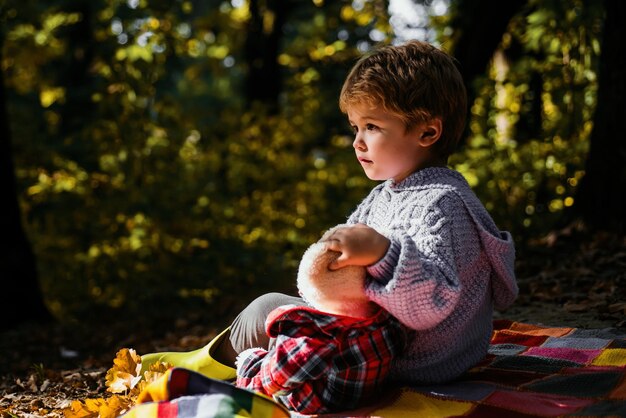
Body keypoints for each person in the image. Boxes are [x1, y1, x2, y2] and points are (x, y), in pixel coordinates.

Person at [140, 39, 518, 388]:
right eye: (355, 126)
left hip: (417, 359)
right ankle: (210, 362)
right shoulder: (386, 195)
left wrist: (383, 254)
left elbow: (432, 303)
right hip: (385, 343)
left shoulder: (442, 204)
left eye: (372, 126)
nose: (357, 141)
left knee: (268, 311)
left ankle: (204, 368)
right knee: (278, 314)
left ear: (427, 132)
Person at [234, 226, 405, 414]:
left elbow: (274, 381)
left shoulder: (312, 339)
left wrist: (249, 371)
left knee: (252, 360)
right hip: (362, 393)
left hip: (317, 402)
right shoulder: (388, 322)